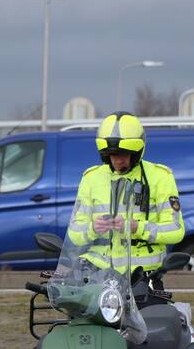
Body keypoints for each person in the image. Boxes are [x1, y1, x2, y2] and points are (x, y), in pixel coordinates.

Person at [66, 112, 185, 273]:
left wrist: (137, 228)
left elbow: (176, 230)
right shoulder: (91, 178)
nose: (118, 160)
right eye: (113, 154)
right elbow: (74, 233)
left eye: (124, 154)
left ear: (136, 152)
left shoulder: (160, 177)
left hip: (144, 275)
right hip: (99, 274)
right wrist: (93, 228)